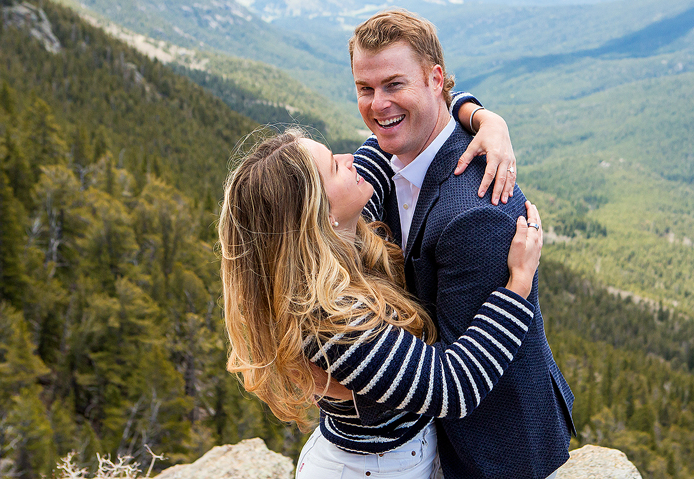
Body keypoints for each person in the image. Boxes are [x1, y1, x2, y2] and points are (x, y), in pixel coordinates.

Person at [220, 127, 544, 479]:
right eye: (334, 166)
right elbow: (453, 388)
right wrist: (518, 283)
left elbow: (392, 134)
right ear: (319, 214)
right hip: (372, 469)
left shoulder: (342, 238)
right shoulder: (331, 325)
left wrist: (485, 121)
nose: (350, 160)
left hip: (400, 456)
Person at [342, 10, 575, 479]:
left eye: (394, 84)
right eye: (365, 89)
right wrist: (478, 112)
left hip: (490, 445)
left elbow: (462, 376)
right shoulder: (386, 161)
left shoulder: (475, 212)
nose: (378, 104)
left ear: (434, 80)